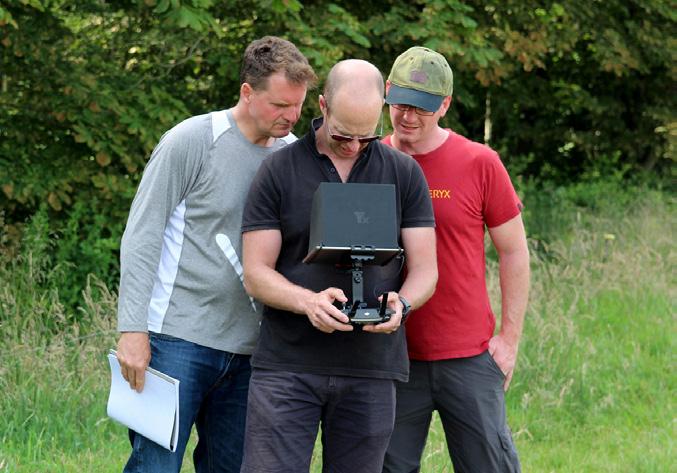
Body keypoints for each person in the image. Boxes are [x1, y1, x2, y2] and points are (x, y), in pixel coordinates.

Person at [114, 36, 317, 473]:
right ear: (247, 92)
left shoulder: (291, 156)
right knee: (154, 468)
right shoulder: (191, 140)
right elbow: (142, 235)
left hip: (253, 351)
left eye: (299, 105)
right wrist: (132, 330)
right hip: (175, 342)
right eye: (280, 105)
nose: (291, 116)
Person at [239, 59, 438, 473]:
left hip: (372, 369)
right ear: (323, 106)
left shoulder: (404, 173)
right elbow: (256, 272)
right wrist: (308, 303)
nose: (353, 146)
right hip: (287, 367)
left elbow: (426, 270)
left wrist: (402, 304)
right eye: (343, 134)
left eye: (367, 137)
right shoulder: (279, 169)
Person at [381, 46, 530, 473]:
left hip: (468, 355)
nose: (408, 117)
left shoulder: (479, 162)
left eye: (422, 108)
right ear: (387, 92)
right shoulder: (369, 161)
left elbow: (514, 251)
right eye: (401, 103)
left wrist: (510, 340)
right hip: (391, 356)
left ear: (445, 105)